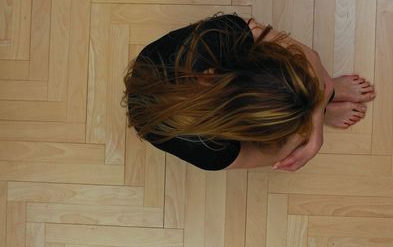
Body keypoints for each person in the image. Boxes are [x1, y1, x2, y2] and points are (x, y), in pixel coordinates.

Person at [121, 13, 375, 172]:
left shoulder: (215, 38)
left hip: (165, 71)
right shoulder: (209, 150)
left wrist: (316, 121)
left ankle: (317, 100)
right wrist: (321, 102)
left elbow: (309, 56)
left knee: (312, 82)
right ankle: (317, 101)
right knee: (312, 86)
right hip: (164, 116)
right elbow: (275, 154)